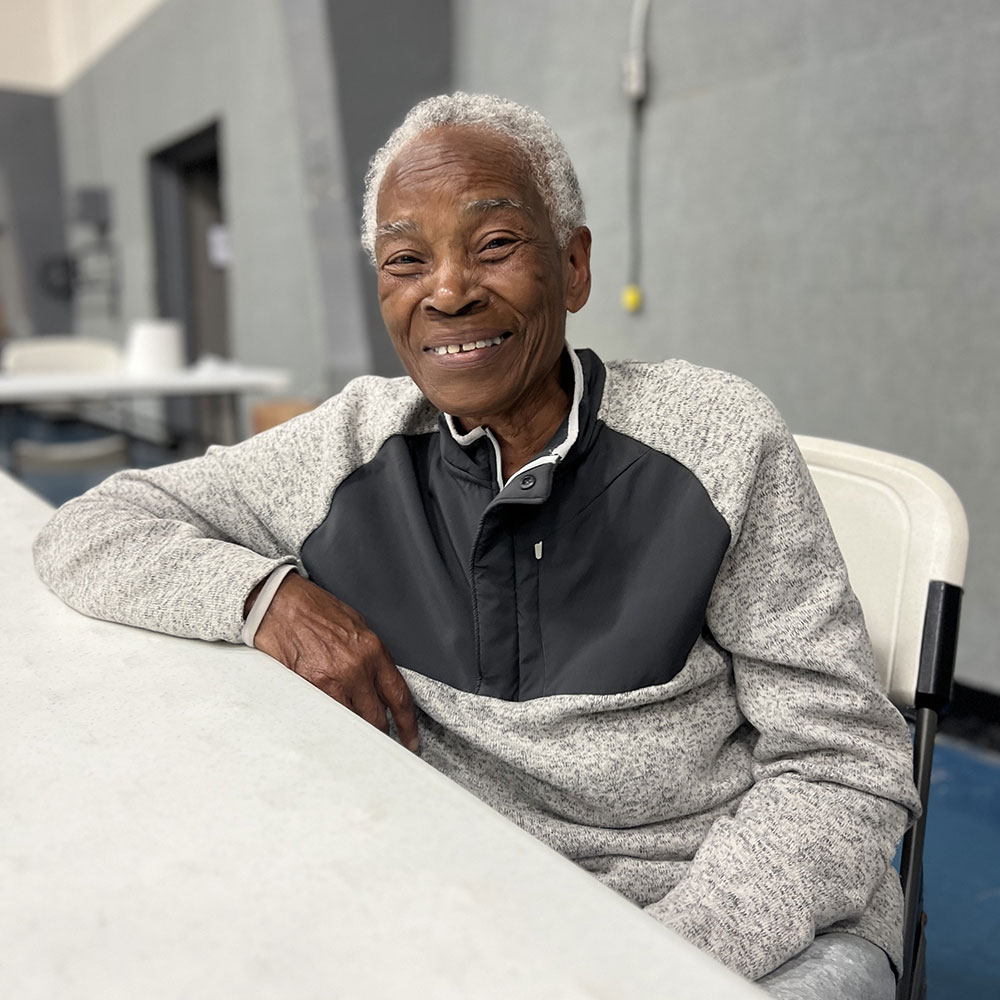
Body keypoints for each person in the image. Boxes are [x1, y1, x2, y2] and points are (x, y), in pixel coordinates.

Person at [34, 93, 918, 999]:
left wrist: (651, 964)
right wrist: (269, 600)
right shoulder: (355, 443)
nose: (448, 291)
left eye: (495, 245)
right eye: (405, 260)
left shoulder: (720, 441)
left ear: (573, 267)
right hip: (478, 893)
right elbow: (93, 527)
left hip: (732, 909)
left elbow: (844, 769)